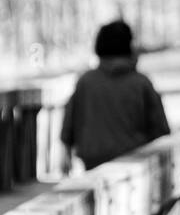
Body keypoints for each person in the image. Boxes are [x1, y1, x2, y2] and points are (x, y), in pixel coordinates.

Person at [60, 19, 170, 173]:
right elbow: (161, 132)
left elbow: (68, 128)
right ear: (129, 47)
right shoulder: (141, 83)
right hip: (136, 169)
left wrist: (66, 156)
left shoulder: (85, 82)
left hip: (93, 169)